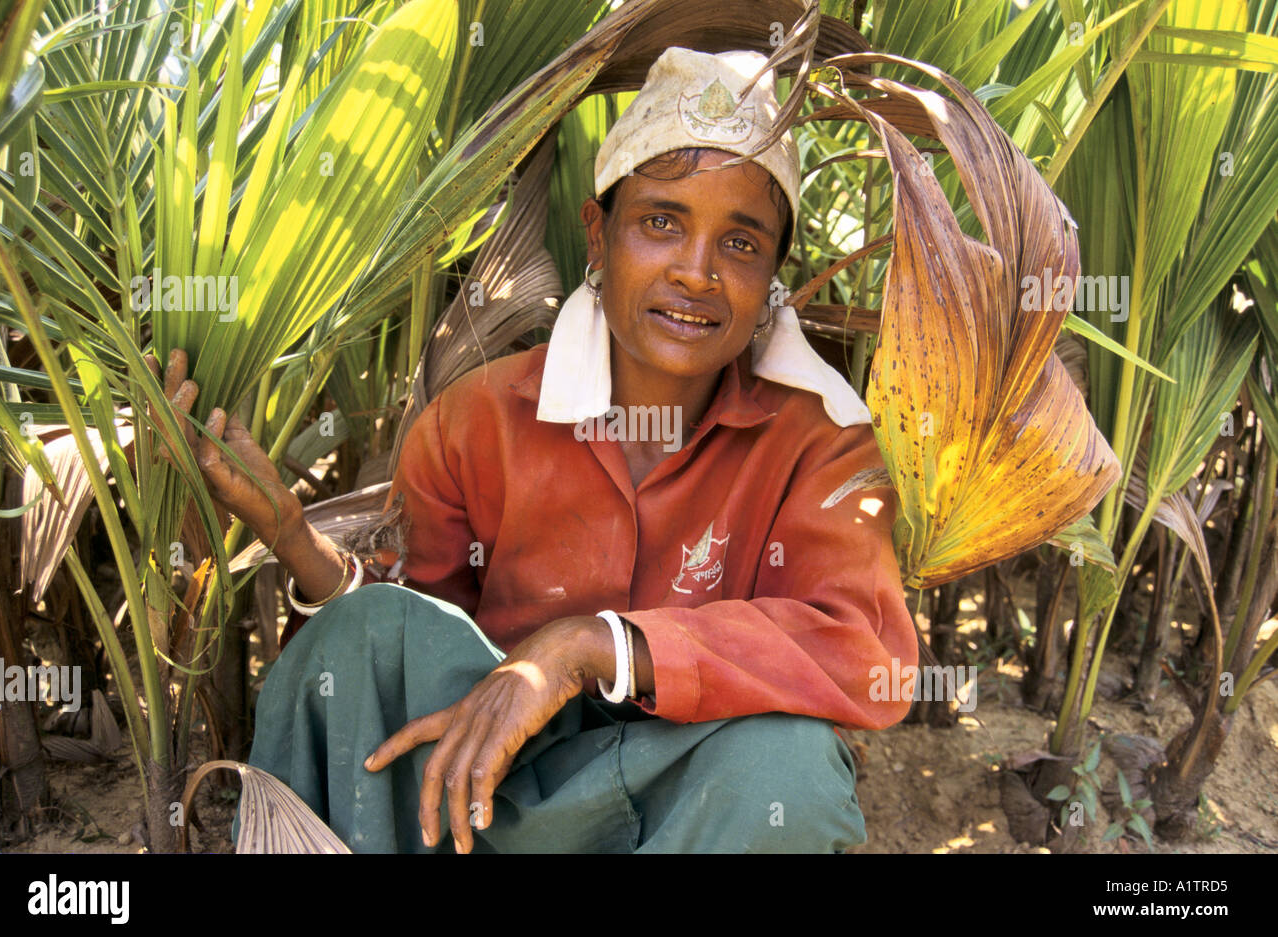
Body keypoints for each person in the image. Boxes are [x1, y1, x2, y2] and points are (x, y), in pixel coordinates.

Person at [153, 47, 918, 853]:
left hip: (689, 800)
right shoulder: (475, 421)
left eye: (740, 243)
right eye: (661, 222)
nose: (696, 273)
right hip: (493, 795)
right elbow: (406, 636)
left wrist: (591, 646)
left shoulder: (822, 443)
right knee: (358, 636)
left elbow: (863, 652)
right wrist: (290, 537)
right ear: (598, 234)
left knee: (787, 770)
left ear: (771, 274)